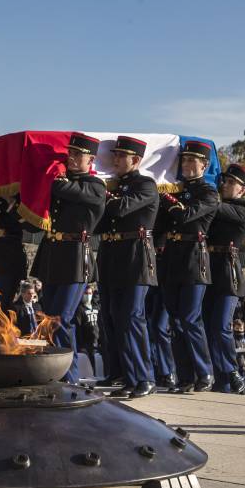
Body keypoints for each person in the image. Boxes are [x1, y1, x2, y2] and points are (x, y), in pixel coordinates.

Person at [30, 133, 106, 384]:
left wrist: (53, 172)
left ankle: (69, 377)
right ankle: (56, 372)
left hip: (75, 258)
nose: (71, 158)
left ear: (91, 159)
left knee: (62, 318)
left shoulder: (95, 186)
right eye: (69, 154)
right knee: (50, 319)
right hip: (53, 255)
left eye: (77, 155)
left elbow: (61, 187)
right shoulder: (62, 181)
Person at [95, 135, 159, 398]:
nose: (115, 160)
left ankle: (145, 377)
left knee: (132, 318)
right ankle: (123, 374)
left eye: (121, 156)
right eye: (115, 155)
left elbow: (121, 209)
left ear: (136, 160)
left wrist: (99, 196)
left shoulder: (146, 185)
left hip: (135, 258)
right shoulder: (116, 186)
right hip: (112, 257)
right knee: (111, 317)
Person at [157, 140, 219, 392]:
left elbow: (185, 214)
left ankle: (204, 372)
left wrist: (166, 198)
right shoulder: (177, 191)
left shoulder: (209, 193)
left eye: (192, 161)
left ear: (204, 165)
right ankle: (185, 376)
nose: (187, 165)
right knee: (175, 319)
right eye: (184, 160)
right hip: (172, 257)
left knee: (190, 318)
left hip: (194, 258)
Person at [203, 163, 245, 394]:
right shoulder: (216, 205)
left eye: (231, 182)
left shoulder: (243, 209)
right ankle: (222, 380)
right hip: (207, 270)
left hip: (227, 274)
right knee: (207, 326)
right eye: (224, 180)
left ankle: (232, 370)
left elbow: (217, 208)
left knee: (221, 325)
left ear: (242, 190)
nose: (225, 184)